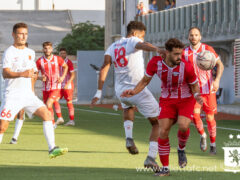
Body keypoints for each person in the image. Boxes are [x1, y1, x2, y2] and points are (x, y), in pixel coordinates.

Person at [121, 38, 203, 176]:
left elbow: (194, 86)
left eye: (181, 54)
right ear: (167, 53)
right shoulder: (155, 63)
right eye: (176, 54)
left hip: (185, 100)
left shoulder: (187, 66)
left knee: (183, 126)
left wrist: (197, 96)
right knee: (163, 132)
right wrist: (134, 91)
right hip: (167, 101)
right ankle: (165, 169)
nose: (179, 57)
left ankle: (181, 149)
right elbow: (145, 81)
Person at [91, 21, 165, 172]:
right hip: (136, 90)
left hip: (121, 90)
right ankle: (151, 157)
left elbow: (105, 67)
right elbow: (143, 45)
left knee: (128, 107)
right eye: (142, 36)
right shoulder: (133, 40)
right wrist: (157, 49)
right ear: (136, 33)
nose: (142, 39)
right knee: (159, 123)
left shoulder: (112, 47)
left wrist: (99, 91)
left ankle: (129, 138)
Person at [0, 22, 68, 158]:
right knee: (2, 126)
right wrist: (21, 74)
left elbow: (33, 72)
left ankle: (52, 148)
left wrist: (33, 84)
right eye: (20, 34)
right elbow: (5, 73)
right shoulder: (9, 52)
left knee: (47, 115)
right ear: (13, 35)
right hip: (13, 95)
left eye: (25, 34)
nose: (23, 36)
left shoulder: (30, 52)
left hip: (28, 95)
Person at [183, 27, 224, 155]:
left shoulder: (208, 49)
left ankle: (213, 145)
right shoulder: (184, 53)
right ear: (188, 37)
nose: (194, 37)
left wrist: (217, 80)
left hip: (209, 89)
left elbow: (220, 65)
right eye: (191, 35)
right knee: (195, 116)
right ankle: (203, 135)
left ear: (200, 37)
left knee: (210, 118)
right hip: (194, 91)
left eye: (196, 35)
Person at [10, 42, 38, 144]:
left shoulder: (32, 63)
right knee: (8, 116)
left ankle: (14, 137)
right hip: (12, 91)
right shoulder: (12, 58)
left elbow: (34, 75)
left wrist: (32, 89)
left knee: (20, 113)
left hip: (24, 91)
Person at [36, 42, 68, 128]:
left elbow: (66, 67)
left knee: (49, 104)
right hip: (45, 88)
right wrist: (40, 77)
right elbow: (34, 74)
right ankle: (55, 120)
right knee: (47, 107)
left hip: (56, 86)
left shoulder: (57, 59)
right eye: (45, 48)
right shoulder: (39, 61)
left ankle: (53, 123)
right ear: (43, 49)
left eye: (49, 48)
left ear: (52, 49)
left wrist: (62, 77)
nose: (47, 50)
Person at [53, 48, 75, 126]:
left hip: (67, 85)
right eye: (61, 53)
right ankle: (59, 118)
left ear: (66, 54)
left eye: (64, 53)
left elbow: (73, 75)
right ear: (59, 54)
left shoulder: (68, 62)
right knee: (54, 100)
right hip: (59, 85)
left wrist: (67, 83)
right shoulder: (57, 62)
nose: (63, 54)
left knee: (69, 102)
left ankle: (71, 120)